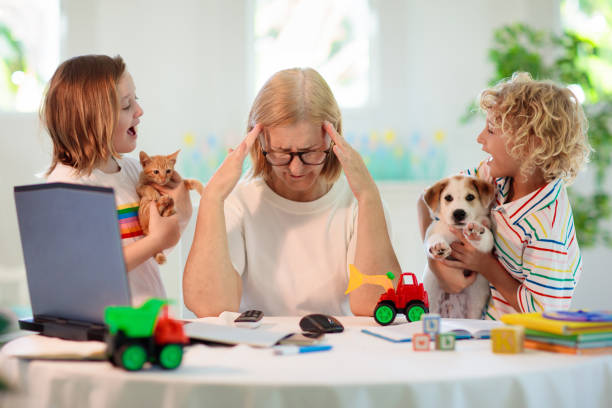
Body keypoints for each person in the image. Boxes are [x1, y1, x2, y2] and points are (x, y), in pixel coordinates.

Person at [184, 67, 401, 317]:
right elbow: (211, 308)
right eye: (282, 152)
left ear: (332, 138)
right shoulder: (239, 202)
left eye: (309, 152)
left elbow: (373, 305)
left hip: (340, 349)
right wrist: (212, 198)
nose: (296, 168)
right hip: (259, 350)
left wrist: (368, 197)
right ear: (260, 140)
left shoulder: (359, 202)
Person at [418, 72, 591, 320]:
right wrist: (435, 264)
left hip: (512, 346)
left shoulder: (547, 227)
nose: (480, 138)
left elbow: (544, 312)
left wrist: (486, 266)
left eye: (491, 130)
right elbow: (424, 200)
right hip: (469, 331)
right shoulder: (490, 177)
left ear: (530, 143)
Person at [42, 54, 193, 305]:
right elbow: (90, 270)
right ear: (91, 120)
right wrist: (157, 239)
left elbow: (152, 251)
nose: (139, 111)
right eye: (126, 105)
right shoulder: (68, 186)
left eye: (137, 100)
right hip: (108, 331)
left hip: (148, 321)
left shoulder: (134, 172)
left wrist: (180, 213)